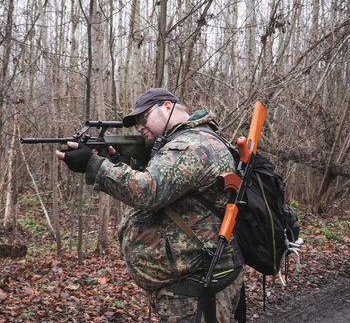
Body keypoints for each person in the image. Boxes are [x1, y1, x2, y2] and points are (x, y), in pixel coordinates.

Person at [56, 88, 244, 322]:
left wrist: (95, 165)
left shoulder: (193, 145)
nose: (140, 127)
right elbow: (170, 188)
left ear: (167, 107)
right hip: (190, 281)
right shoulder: (185, 141)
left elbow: (149, 190)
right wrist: (116, 161)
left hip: (198, 285)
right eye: (136, 124)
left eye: (143, 118)